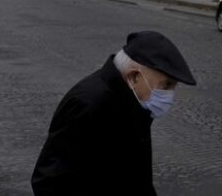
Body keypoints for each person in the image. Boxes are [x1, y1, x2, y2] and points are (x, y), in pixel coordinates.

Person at [31, 31, 196, 196]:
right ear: (133, 77)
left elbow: (137, 178)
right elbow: (50, 182)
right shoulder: (89, 104)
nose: (169, 95)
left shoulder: (135, 103)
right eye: (166, 85)